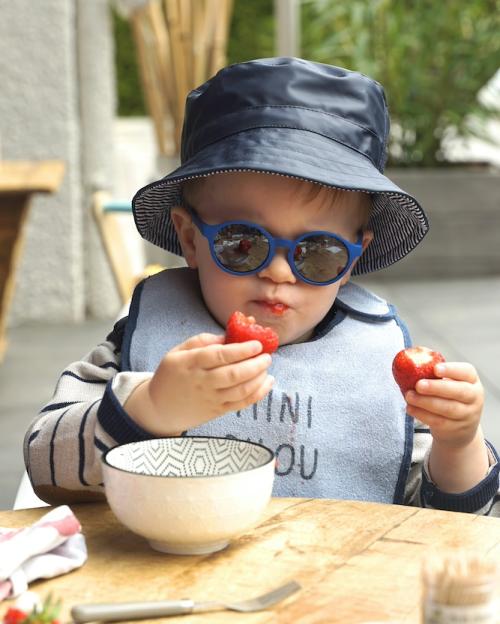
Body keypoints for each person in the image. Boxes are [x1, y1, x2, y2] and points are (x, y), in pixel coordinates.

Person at [24, 57, 499, 514]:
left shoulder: (378, 366)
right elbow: (44, 462)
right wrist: (151, 407)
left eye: (318, 252)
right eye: (241, 243)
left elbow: (450, 520)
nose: (278, 272)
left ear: (353, 257)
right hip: (173, 586)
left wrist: (457, 443)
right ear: (190, 238)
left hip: (339, 585)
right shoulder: (144, 339)